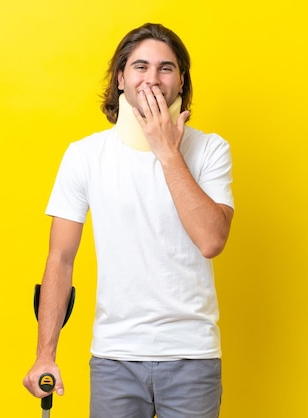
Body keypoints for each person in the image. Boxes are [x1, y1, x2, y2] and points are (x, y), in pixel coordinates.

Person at [23, 22, 234, 418]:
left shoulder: (209, 150)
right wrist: (44, 354)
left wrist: (167, 151)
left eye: (166, 68)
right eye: (140, 67)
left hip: (191, 355)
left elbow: (211, 241)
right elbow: (60, 259)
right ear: (121, 77)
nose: (152, 79)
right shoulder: (84, 156)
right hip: (115, 357)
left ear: (181, 80)